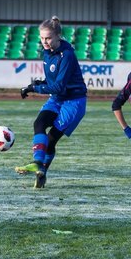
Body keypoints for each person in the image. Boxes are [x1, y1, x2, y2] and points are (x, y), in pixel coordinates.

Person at [13, 16, 87, 189]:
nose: (44, 42)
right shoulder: (47, 52)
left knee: (51, 139)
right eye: (42, 38)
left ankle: (41, 170)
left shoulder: (66, 55)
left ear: (58, 36)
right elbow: (52, 81)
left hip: (73, 102)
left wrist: (34, 89)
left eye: (48, 38)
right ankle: (38, 164)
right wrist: (39, 84)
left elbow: (60, 86)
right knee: (39, 123)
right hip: (57, 99)